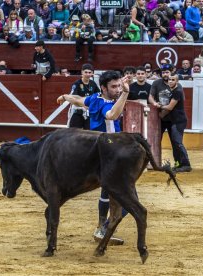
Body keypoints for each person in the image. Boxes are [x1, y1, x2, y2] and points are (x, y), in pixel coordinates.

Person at [56, 71, 132, 245]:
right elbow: (112, 114)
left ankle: (101, 226)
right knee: (129, 199)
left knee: (107, 191)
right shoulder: (105, 103)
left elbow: (78, 100)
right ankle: (103, 227)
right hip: (110, 151)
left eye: (119, 86)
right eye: (113, 87)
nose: (117, 89)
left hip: (96, 150)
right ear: (103, 87)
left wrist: (65, 96)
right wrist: (126, 93)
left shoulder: (94, 98)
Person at [149, 65, 192, 172]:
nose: (166, 75)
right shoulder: (157, 84)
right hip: (165, 118)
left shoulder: (177, 89)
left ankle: (185, 164)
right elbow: (151, 96)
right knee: (156, 140)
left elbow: (170, 107)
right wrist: (154, 103)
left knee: (176, 142)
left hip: (175, 119)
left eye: (167, 72)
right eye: (163, 72)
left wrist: (160, 110)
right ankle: (170, 163)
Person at [68, 63, 100, 129]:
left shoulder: (93, 83)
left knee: (88, 133)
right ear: (82, 72)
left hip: (89, 113)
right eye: (86, 72)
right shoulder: (77, 83)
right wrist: (83, 104)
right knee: (74, 132)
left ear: (92, 73)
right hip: (77, 112)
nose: (88, 74)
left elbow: (99, 95)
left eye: (89, 72)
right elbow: (73, 97)